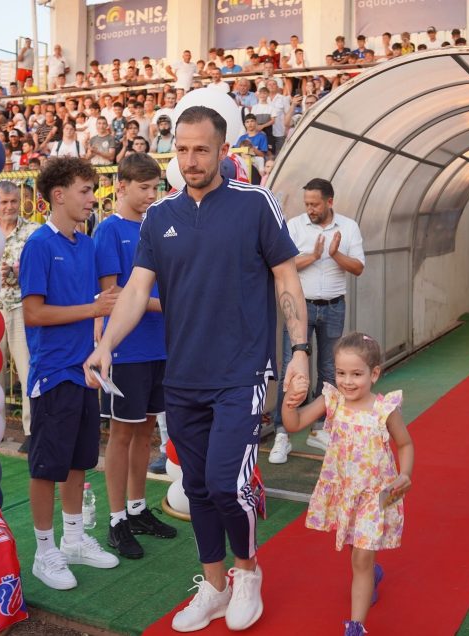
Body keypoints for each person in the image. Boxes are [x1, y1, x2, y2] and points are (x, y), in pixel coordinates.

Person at [84, 106, 310, 632]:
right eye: (182, 150)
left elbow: (285, 277)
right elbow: (136, 290)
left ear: (222, 151)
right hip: (182, 375)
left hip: (242, 371)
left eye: (201, 150)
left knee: (227, 483)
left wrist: (299, 349)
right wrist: (107, 343)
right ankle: (213, 585)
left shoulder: (255, 204)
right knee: (199, 487)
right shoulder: (160, 215)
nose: (190, 160)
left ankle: (246, 573)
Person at [19, 157, 121, 591]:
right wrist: (93, 308)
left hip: (84, 373)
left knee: (80, 462)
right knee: (46, 467)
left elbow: (101, 304)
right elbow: (33, 313)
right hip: (53, 373)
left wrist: (99, 344)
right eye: (85, 190)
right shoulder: (39, 244)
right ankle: (45, 552)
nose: (92, 198)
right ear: (58, 195)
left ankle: (74, 539)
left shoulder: (87, 243)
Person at [281, 333, 413, 636]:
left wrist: (405, 474)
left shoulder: (384, 409)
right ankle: (372, 574)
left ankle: (355, 627)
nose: (347, 381)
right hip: (345, 490)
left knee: (361, 557)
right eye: (341, 373)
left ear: (374, 373)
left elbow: (405, 444)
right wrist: (289, 402)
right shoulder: (332, 400)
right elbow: (293, 423)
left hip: (376, 495)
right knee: (357, 548)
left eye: (356, 374)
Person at [92, 153, 178, 560]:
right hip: (126, 349)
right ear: (121, 186)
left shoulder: (156, 226)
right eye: (144, 188)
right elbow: (113, 296)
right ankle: (116, 520)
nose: (151, 195)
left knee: (145, 432)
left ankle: (138, 509)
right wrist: (174, 305)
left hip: (159, 346)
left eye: (155, 187)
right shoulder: (109, 230)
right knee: (122, 433)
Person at [271, 178, 365, 464]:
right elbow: (282, 265)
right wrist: (313, 256)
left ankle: (320, 428)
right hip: (300, 309)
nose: (309, 209)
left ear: (329, 202)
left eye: (315, 204)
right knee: (291, 367)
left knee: (329, 369)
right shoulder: (295, 226)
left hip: (334, 307)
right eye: (307, 204)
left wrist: (335, 254)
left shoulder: (348, 227)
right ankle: (281, 433)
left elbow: (358, 267)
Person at [0, 182, 40, 452]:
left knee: (27, 371)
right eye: (4, 202)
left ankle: (32, 432)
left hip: (22, 307)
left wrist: (19, 271)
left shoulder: (33, 231)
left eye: (13, 201)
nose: (9, 207)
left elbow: (42, 268)